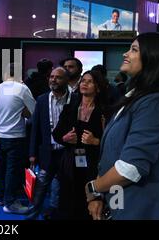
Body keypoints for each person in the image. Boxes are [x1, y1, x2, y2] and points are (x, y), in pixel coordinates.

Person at [86, 33, 159, 220]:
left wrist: (93, 188)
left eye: (134, 50)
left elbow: (130, 168)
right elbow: (112, 155)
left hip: (145, 209)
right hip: (122, 202)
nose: (126, 54)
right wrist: (100, 195)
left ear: (154, 58)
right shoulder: (135, 98)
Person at [52, 70, 108, 219]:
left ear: (98, 87)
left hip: (93, 166)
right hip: (70, 164)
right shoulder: (70, 108)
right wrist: (64, 138)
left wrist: (95, 141)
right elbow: (56, 134)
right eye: (83, 80)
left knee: (89, 206)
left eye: (90, 81)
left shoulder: (104, 112)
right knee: (67, 204)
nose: (85, 84)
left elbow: (112, 142)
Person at [26, 67, 71, 220]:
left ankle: (53, 215)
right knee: (39, 188)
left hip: (66, 153)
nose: (53, 80)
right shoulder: (42, 99)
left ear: (66, 80)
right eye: (51, 77)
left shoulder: (75, 99)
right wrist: (32, 153)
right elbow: (35, 129)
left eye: (58, 77)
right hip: (47, 152)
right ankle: (31, 216)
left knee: (58, 190)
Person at [0, 63, 35, 214]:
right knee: (13, 169)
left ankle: (0, 196)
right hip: (16, 134)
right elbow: (34, 111)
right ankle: (10, 202)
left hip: (0, 134)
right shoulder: (22, 88)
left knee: (2, 166)